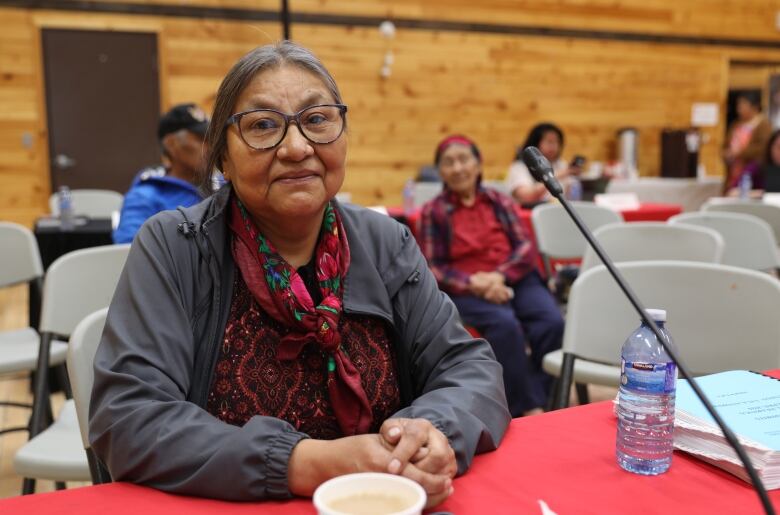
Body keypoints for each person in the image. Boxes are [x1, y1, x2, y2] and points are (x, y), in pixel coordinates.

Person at [89, 42, 510, 507]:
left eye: (316, 120)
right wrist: (309, 463)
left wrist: (426, 434)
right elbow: (128, 416)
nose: (296, 147)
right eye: (263, 126)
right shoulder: (175, 247)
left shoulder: (385, 242)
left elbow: (469, 368)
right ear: (223, 157)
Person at [418, 135, 564, 417]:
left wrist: (498, 277)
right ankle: (526, 408)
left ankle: (541, 396)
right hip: (465, 288)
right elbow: (432, 266)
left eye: (464, 159)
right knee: (504, 325)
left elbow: (524, 247)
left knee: (551, 321)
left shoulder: (499, 201)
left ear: (478, 164)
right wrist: (474, 283)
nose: (458, 168)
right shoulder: (432, 212)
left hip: (513, 277)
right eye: (449, 162)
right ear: (441, 172)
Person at [112, 103, 209, 243]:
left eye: (212, 137)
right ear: (171, 143)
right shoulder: (144, 196)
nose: (211, 145)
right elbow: (127, 252)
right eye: (201, 139)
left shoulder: (224, 185)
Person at [505, 122, 583, 205]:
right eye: (550, 142)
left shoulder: (560, 164)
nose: (554, 147)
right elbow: (526, 196)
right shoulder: (519, 167)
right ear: (535, 143)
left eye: (557, 142)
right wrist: (561, 174)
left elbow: (571, 197)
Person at [723, 91, 771, 194]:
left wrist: (739, 153)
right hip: (734, 171)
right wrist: (726, 153)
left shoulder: (763, 125)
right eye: (738, 104)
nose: (739, 108)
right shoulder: (735, 125)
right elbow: (726, 145)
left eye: (743, 104)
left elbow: (763, 148)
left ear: (755, 106)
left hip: (753, 173)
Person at [726, 128, 780, 197]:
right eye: (779, 148)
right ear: (770, 147)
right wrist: (763, 194)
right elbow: (732, 193)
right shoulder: (756, 167)